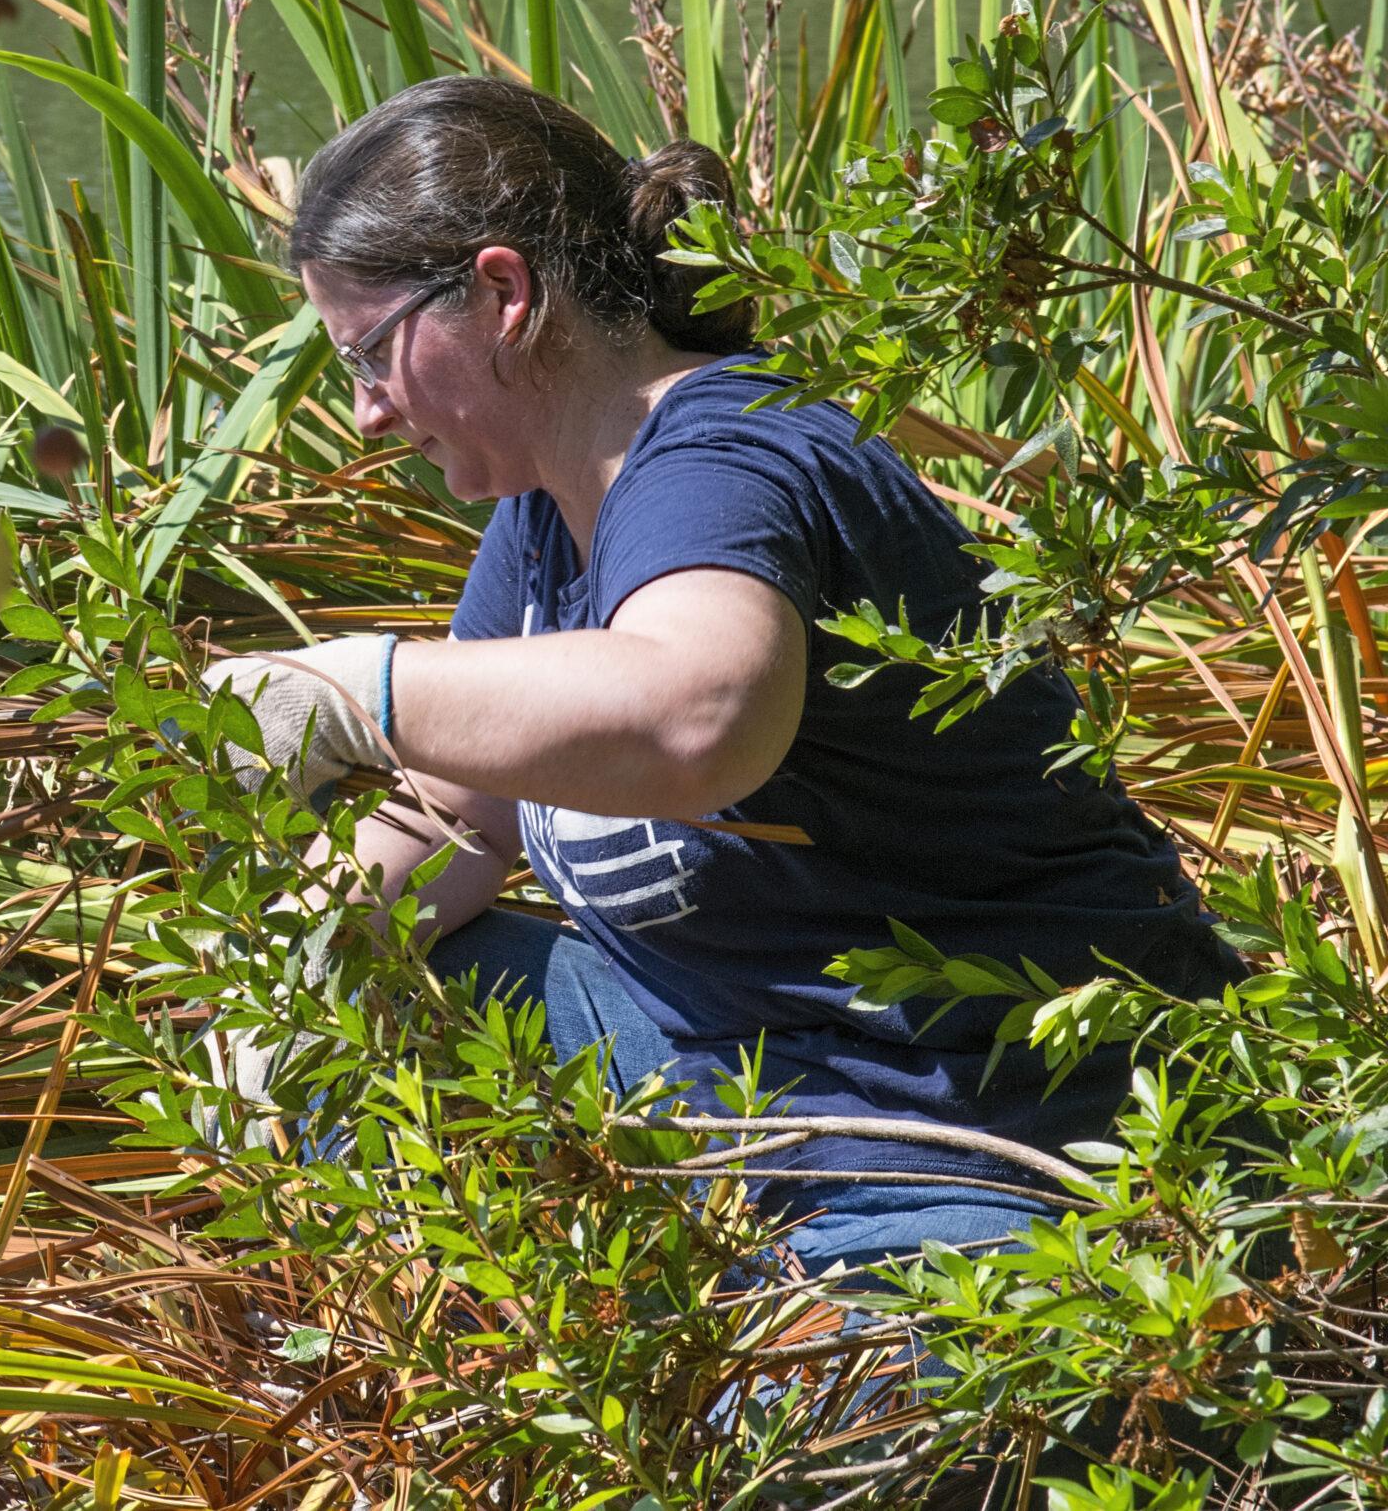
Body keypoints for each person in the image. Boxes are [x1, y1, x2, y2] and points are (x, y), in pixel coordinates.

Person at [203, 77, 1243, 1268]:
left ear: (499, 293)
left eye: (369, 355)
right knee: (390, 990)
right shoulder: (546, 504)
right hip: (747, 1103)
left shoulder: (726, 457)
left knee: (811, 1445)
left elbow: (699, 715)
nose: (366, 414)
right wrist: (283, 972)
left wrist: (356, 691)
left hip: (996, 1144)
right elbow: (459, 816)